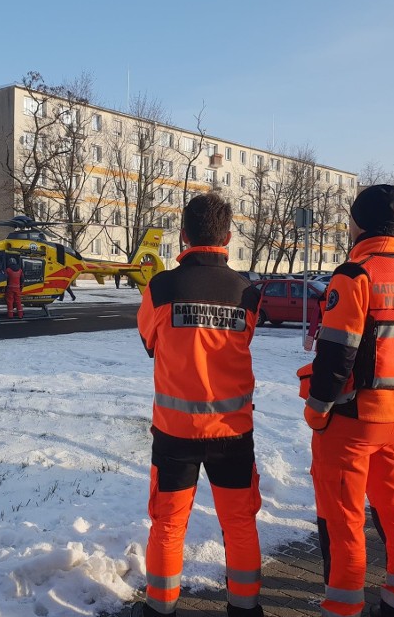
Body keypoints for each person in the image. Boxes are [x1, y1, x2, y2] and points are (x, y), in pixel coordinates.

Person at [302, 185, 394, 617]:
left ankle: (342, 607)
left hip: (351, 421)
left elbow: (337, 353)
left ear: (357, 223)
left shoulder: (354, 274)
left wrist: (318, 408)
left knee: (344, 522)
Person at [133, 193, 263, 617]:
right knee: (240, 524)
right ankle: (245, 608)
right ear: (227, 236)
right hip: (233, 432)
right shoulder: (247, 292)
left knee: (169, 526)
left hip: (175, 434)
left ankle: (160, 608)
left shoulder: (161, 287)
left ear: (184, 235)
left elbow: (150, 342)